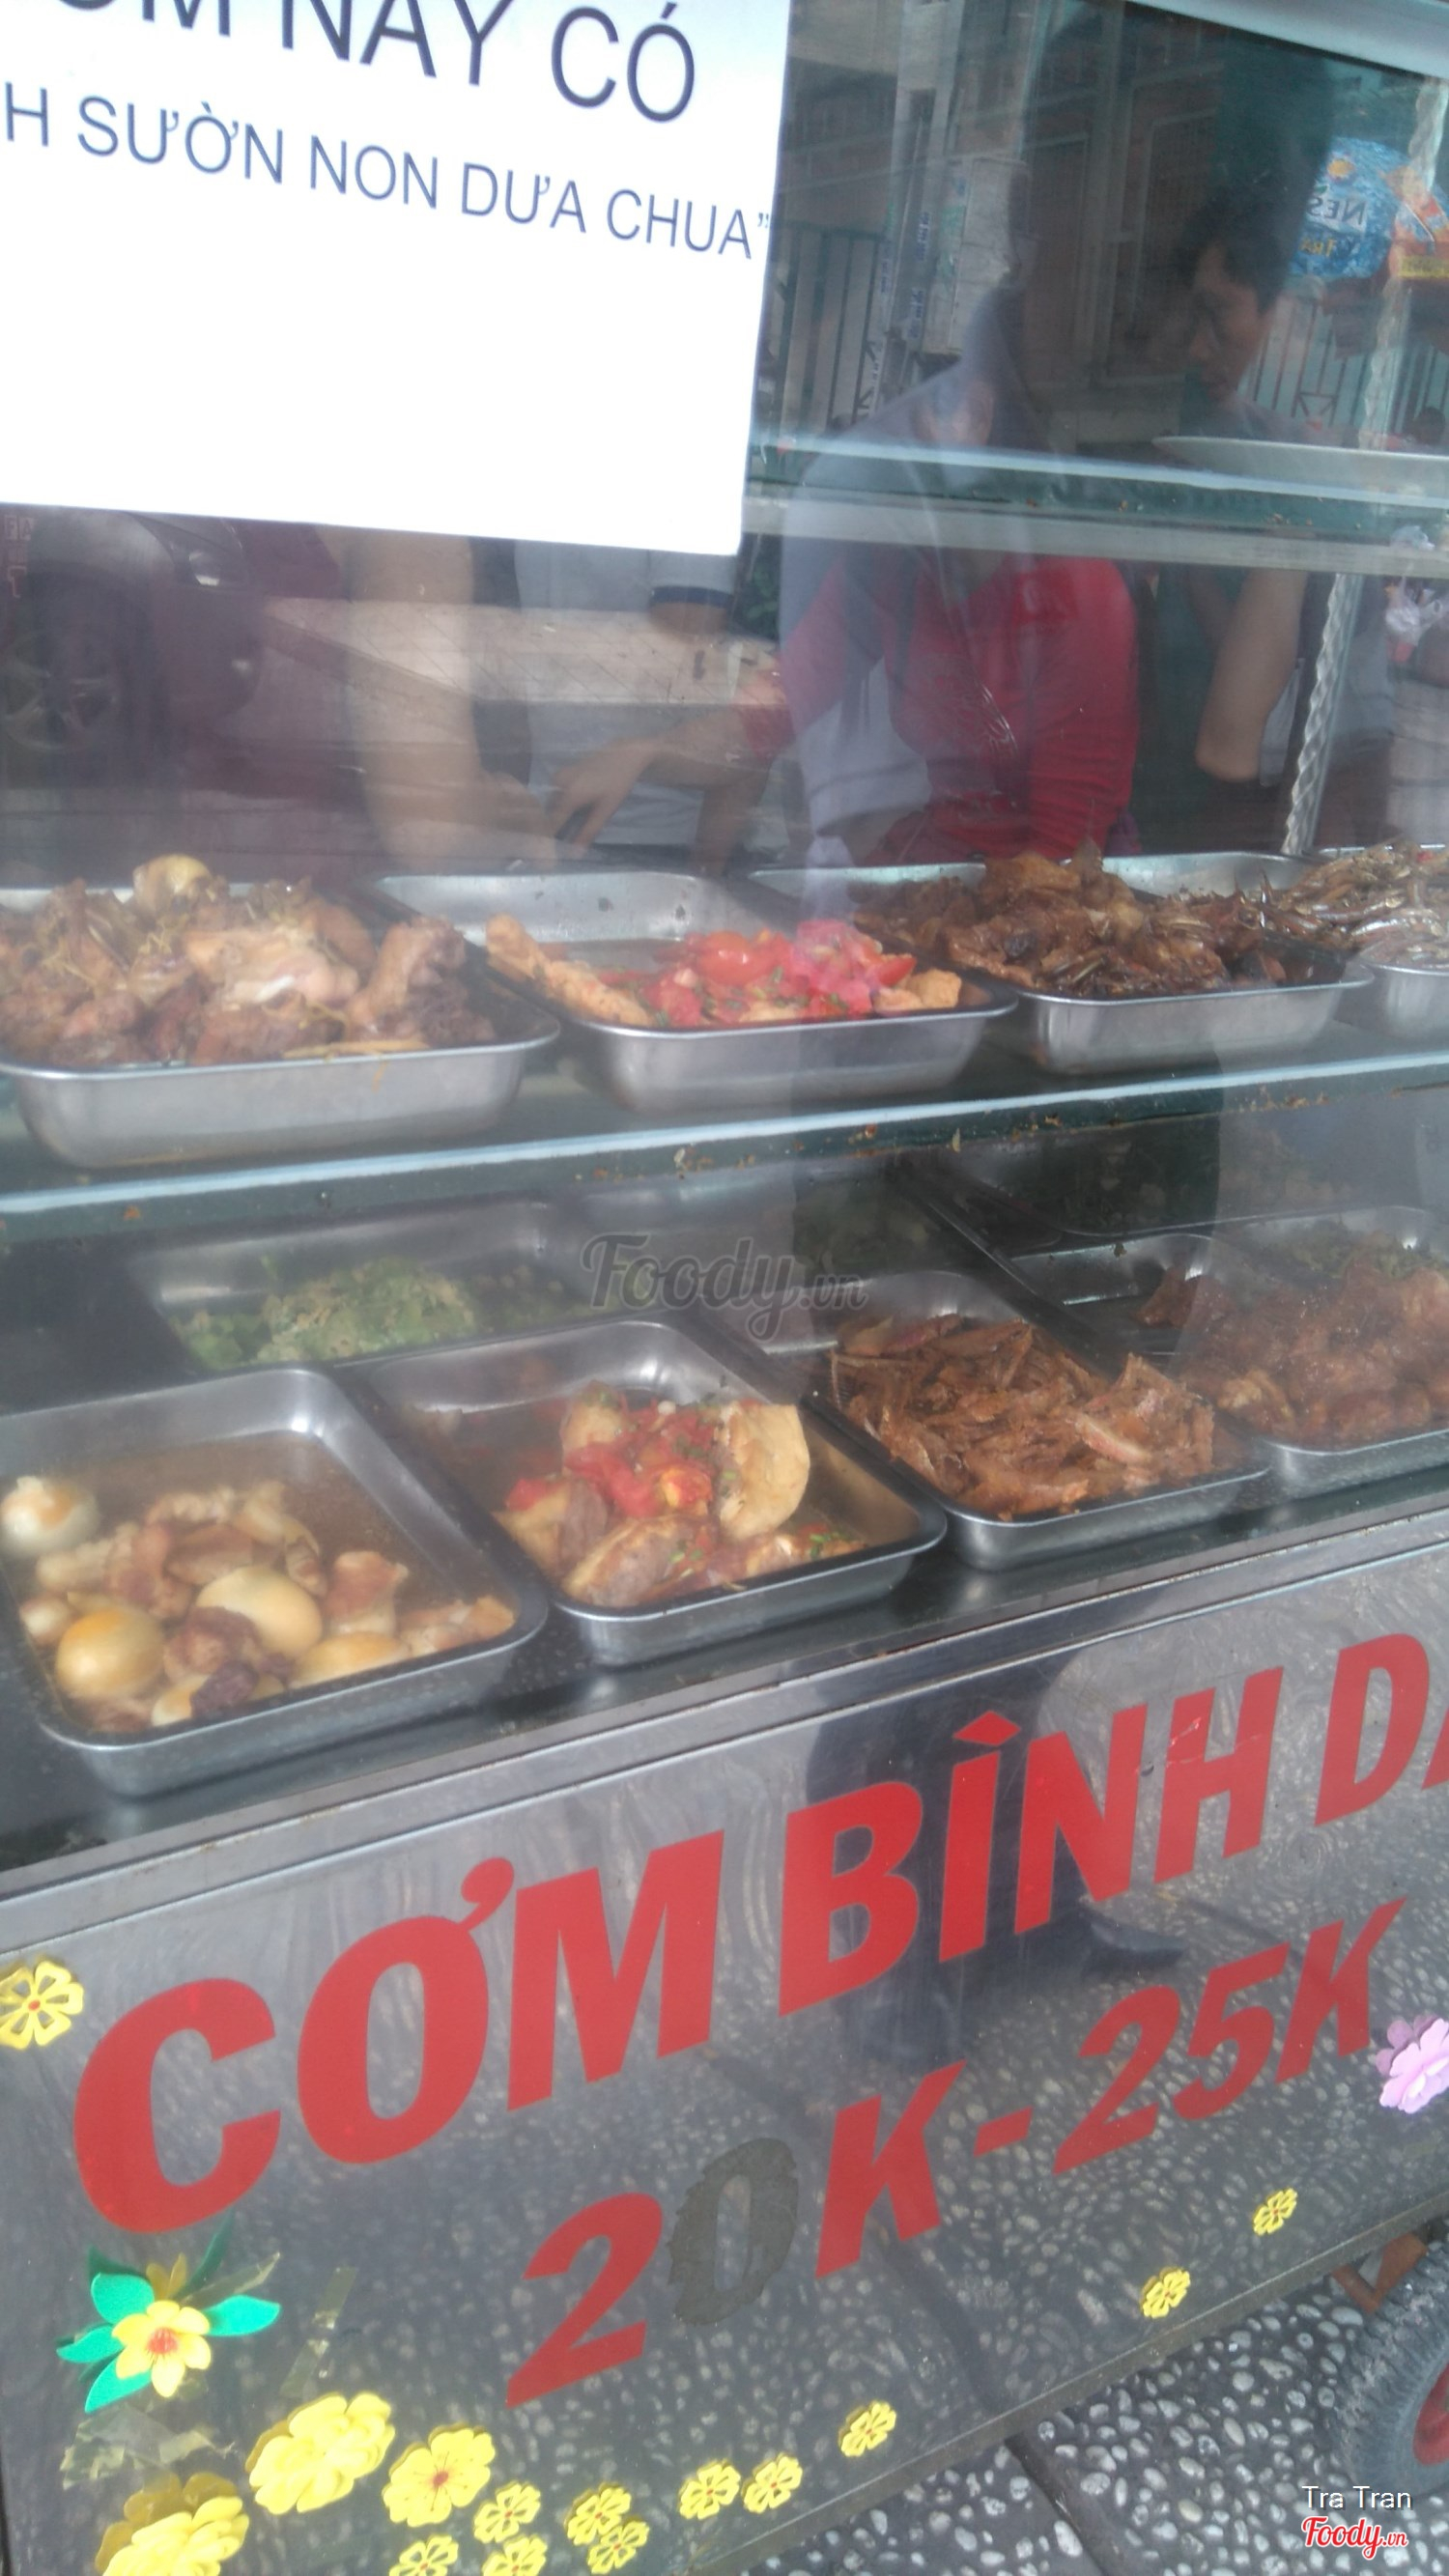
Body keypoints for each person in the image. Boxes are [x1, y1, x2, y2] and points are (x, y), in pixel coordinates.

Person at [548, 293, 1142, 869]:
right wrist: (645, 754)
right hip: (943, 866)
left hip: (1045, 895)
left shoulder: (1077, 596)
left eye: (928, 403)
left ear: (976, 418)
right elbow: (766, 716)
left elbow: (1062, 864)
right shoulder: (895, 565)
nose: (889, 429)